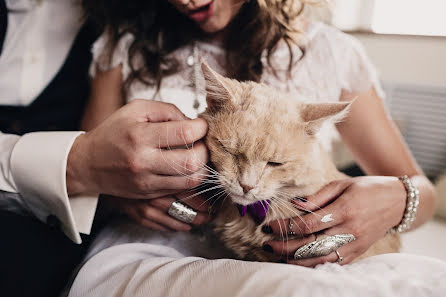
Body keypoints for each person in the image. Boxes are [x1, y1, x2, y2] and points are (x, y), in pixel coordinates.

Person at [68, 0, 443, 296]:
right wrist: (122, 196)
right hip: (156, 246)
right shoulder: (125, 47)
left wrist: (396, 196)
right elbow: (88, 169)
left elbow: (422, 192)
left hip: (297, 254)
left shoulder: (332, 51)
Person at [0, 1, 209, 296]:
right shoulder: (121, 40)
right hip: (120, 250)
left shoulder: (109, 14)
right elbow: (101, 168)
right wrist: (93, 173)